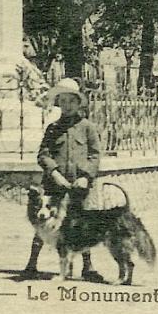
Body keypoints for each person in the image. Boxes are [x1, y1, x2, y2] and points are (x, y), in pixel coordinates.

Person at [22, 78, 103, 281]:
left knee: (80, 223)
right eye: (63, 101)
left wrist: (85, 177)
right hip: (54, 186)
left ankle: (88, 266)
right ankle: (32, 263)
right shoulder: (52, 128)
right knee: (43, 222)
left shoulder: (87, 128)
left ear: (78, 103)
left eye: (71, 101)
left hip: (79, 186)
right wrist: (55, 173)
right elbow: (43, 154)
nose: (67, 106)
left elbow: (95, 155)